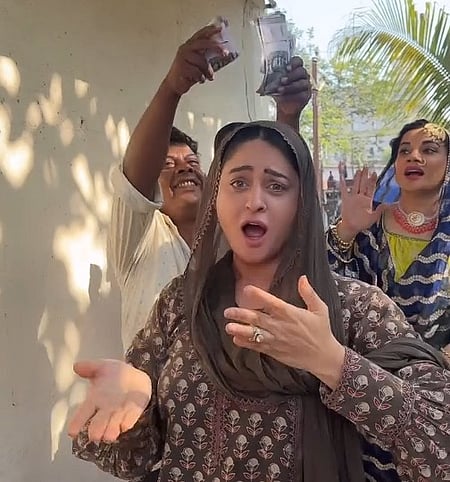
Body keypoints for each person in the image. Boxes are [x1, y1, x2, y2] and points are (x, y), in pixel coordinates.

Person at [69, 121, 449, 482]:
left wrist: (335, 364)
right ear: (216, 199)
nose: (254, 201)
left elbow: (440, 447)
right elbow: (133, 461)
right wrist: (132, 404)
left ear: (302, 204)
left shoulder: (356, 308)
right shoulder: (180, 303)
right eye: (238, 183)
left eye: (276, 186)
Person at [109, 24, 312, 350]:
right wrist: (172, 89)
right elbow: (135, 180)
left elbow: (284, 201)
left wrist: (287, 117)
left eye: (193, 161)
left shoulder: (238, 236)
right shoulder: (140, 239)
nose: (185, 167)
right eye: (168, 164)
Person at [327, 120, 450, 352]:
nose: (414, 157)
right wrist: (348, 229)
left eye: (428, 150)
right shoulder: (369, 220)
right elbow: (321, 284)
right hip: (362, 363)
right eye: (405, 151)